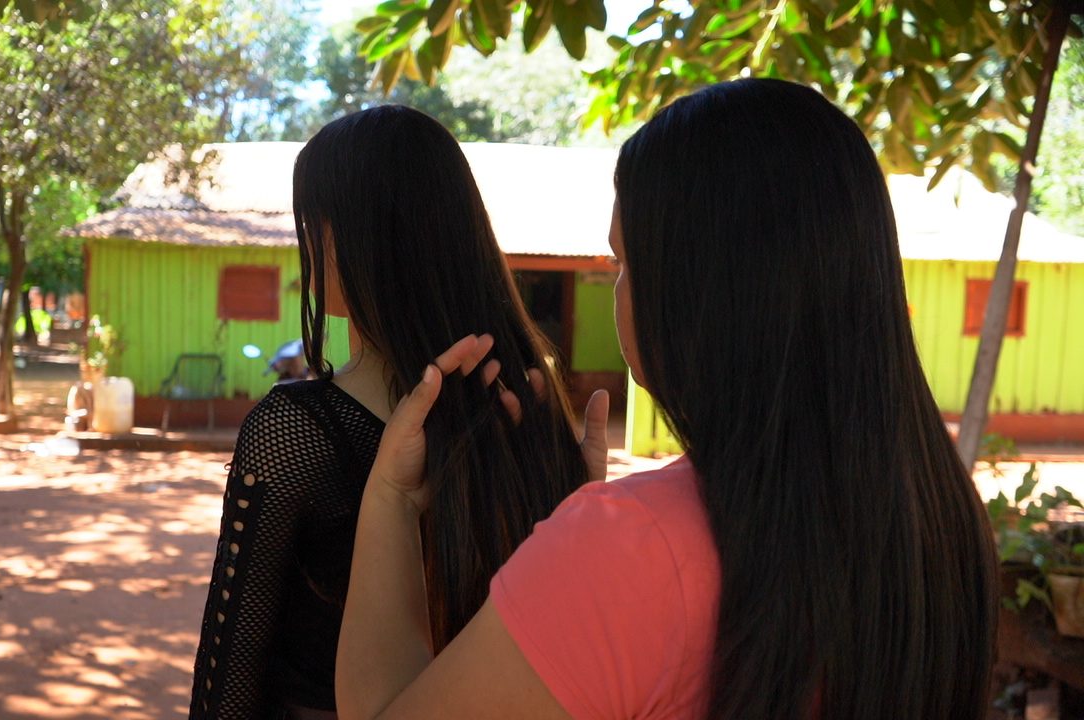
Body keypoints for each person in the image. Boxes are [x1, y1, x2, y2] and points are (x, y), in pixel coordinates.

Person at [336, 79, 998, 720]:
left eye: (623, 264)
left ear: (695, 294)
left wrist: (391, 499)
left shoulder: (628, 552)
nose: (618, 290)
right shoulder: (940, 512)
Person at [188, 105, 592, 720]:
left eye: (314, 219)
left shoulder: (296, 431)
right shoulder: (529, 414)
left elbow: (230, 676)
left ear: (355, 235)